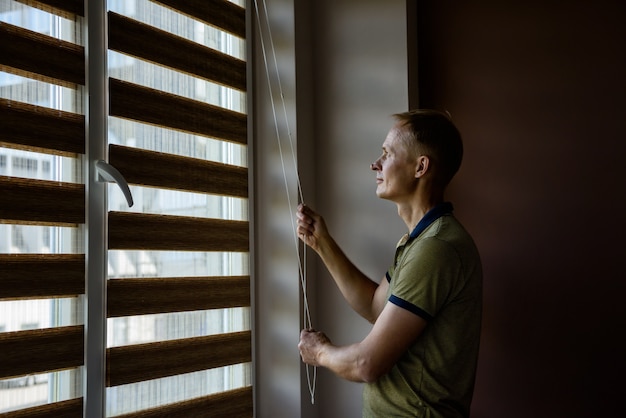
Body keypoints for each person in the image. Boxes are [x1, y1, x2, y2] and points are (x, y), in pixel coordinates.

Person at [296, 109, 483, 417]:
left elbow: (366, 364)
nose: (375, 164)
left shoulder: (436, 249)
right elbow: (374, 305)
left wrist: (320, 353)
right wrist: (321, 243)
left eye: (386, 154)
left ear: (420, 167)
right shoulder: (418, 242)